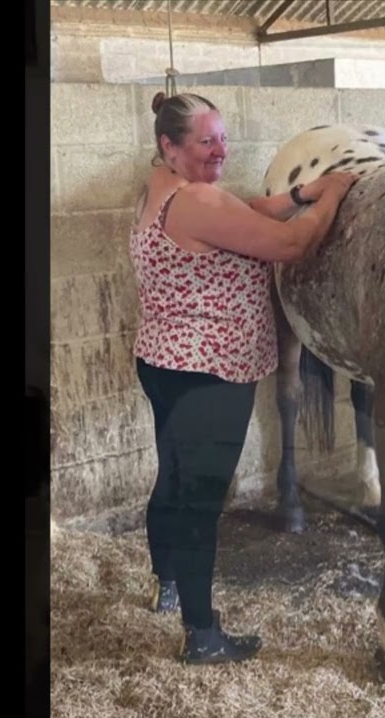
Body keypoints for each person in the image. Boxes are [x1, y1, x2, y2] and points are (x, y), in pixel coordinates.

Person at [129, 91, 357, 665]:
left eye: (223, 137)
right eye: (206, 141)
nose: (220, 151)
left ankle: (167, 582)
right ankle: (202, 635)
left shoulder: (160, 190)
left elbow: (246, 211)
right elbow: (292, 243)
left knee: (175, 478)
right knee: (202, 501)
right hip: (208, 370)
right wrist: (330, 196)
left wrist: (300, 193)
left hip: (162, 358)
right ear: (170, 146)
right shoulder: (198, 201)